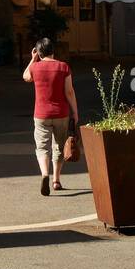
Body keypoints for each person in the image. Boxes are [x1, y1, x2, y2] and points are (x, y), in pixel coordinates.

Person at [22, 38, 79, 196]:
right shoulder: (63, 67)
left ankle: (45, 174)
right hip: (61, 113)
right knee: (59, 147)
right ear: (53, 51)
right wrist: (75, 111)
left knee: (42, 147)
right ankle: (56, 180)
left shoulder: (35, 67)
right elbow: (69, 91)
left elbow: (25, 76)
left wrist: (33, 59)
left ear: (39, 53)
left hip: (41, 114)